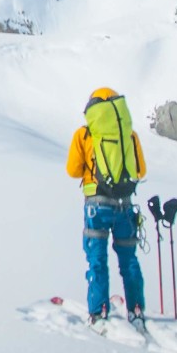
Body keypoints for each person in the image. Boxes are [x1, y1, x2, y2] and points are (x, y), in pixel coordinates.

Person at [66, 87, 148, 330]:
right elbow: (141, 171)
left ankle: (99, 310)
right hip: (125, 204)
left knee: (97, 260)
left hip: (96, 205)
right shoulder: (129, 135)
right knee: (129, 260)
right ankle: (135, 309)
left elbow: (72, 170)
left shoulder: (85, 134)